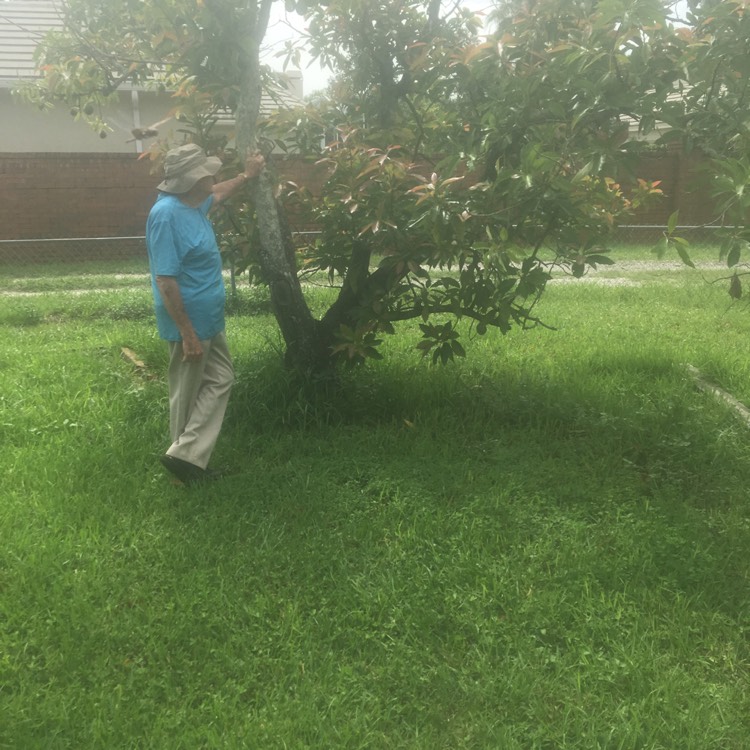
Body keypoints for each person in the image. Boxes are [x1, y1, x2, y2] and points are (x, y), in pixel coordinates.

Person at [145, 143, 265, 485]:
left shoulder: (195, 204)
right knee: (187, 392)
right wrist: (187, 333)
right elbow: (165, 280)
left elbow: (221, 192)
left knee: (221, 378)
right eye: (206, 172)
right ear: (193, 179)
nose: (213, 176)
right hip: (188, 321)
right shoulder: (165, 215)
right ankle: (183, 470)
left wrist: (247, 175)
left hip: (208, 317)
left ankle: (186, 455)